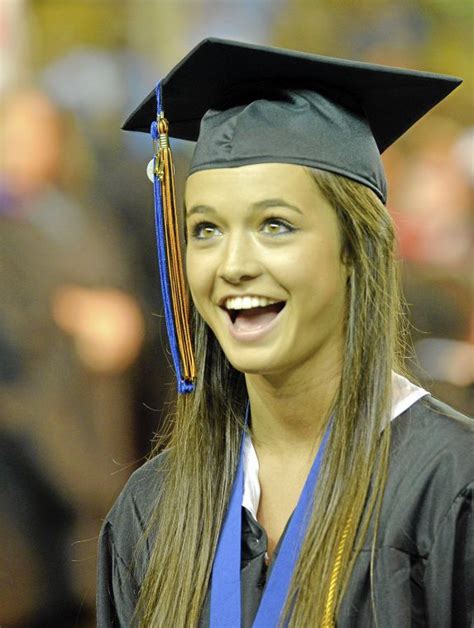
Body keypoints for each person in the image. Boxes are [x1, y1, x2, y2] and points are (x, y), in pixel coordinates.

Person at [96, 38, 473, 627]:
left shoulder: (451, 485)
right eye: (205, 230)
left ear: (357, 249)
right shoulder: (155, 506)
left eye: (275, 225)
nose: (233, 263)